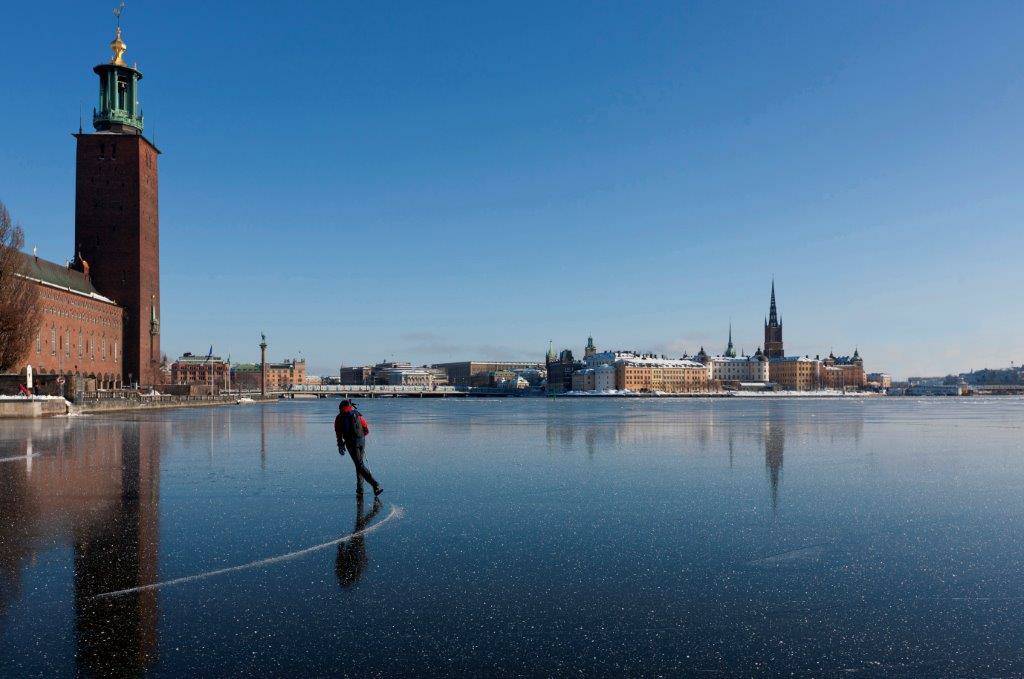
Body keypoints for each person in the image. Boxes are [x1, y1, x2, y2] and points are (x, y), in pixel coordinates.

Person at [334, 400, 383, 496]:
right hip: (361, 440)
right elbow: (366, 428)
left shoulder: (339, 418)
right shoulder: (356, 414)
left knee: (359, 465)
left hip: (351, 443)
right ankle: (360, 489)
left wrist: (340, 444)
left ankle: (375, 484)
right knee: (359, 464)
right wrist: (361, 436)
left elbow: (338, 433)